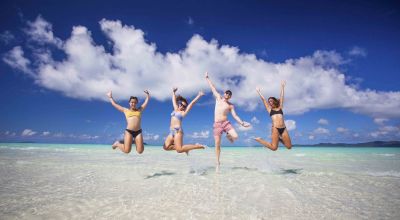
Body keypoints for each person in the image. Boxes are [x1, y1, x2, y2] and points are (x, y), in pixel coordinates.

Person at [205, 72, 250, 165]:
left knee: (236, 136)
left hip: (225, 123)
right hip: (217, 124)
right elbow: (212, 87)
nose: (228, 95)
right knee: (217, 144)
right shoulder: (218, 98)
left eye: (230, 94)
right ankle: (217, 161)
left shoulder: (231, 105)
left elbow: (235, 116)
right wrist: (207, 78)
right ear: (224, 93)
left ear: (230, 97)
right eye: (227, 93)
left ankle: (228, 135)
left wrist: (242, 123)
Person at [163, 88, 205, 154]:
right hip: (171, 132)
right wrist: (173, 92)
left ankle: (197, 146)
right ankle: (185, 149)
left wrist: (199, 95)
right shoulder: (175, 109)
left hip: (178, 131)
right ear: (179, 103)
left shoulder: (183, 113)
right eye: (181, 105)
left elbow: (192, 103)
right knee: (166, 147)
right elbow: (173, 100)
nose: (182, 107)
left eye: (184, 106)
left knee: (179, 150)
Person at [255, 81, 292, 151]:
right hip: (275, 128)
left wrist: (282, 87)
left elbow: (282, 97)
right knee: (274, 148)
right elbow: (263, 100)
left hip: (283, 128)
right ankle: (260, 140)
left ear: (274, 101)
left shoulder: (280, 107)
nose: (269, 102)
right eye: (269, 102)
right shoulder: (269, 110)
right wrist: (258, 92)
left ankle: (279, 139)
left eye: (271, 101)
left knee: (289, 147)